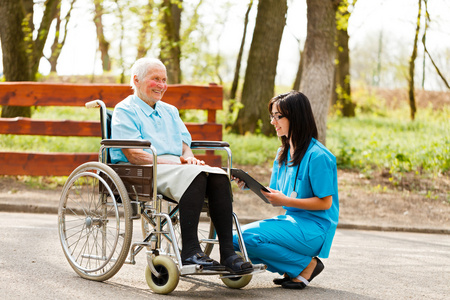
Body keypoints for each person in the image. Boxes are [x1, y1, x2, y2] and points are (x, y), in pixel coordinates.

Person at [110, 57, 253, 275]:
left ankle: (228, 253)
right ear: (136, 80)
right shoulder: (125, 110)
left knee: (217, 175)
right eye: (155, 79)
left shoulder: (170, 111)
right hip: (145, 168)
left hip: (177, 166)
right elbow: (134, 155)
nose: (161, 85)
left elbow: (185, 146)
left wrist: (189, 157)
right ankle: (190, 252)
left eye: (164, 80)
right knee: (195, 175)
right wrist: (180, 162)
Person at [232, 91, 339, 289]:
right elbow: (277, 193)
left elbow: (326, 203)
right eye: (272, 116)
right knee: (233, 240)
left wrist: (286, 202)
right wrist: (250, 185)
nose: (273, 122)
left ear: (296, 117)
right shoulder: (283, 152)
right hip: (293, 222)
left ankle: (306, 266)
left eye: (279, 116)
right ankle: (294, 268)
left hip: (316, 228)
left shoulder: (318, 156)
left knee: (247, 237)